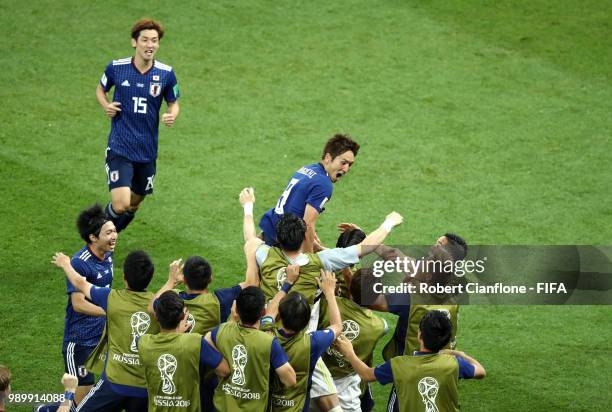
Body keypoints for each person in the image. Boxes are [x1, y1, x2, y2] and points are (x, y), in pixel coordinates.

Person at [96, 18, 180, 232]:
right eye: (145, 40)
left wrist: (172, 114)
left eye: (154, 41)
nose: (150, 45)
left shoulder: (166, 74)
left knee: (134, 203)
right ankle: (95, 237)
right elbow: (100, 89)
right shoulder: (117, 68)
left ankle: (109, 239)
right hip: (120, 147)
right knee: (121, 203)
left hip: (147, 151)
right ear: (134, 42)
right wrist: (106, 105)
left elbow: (174, 102)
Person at [52, 250, 161, 411]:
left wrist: (66, 264)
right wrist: (172, 281)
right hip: (143, 388)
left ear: (124, 276)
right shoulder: (159, 305)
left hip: (113, 384)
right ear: (150, 277)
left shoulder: (110, 298)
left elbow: (80, 283)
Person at [335, 310, 485, 412]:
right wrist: (458, 353)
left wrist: (349, 352)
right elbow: (480, 371)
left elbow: (367, 375)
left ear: (419, 334)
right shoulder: (454, 363)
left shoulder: (400, 364)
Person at [259, 134, 360, 252]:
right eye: (343, 162)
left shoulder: (308, 169)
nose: (346, 169)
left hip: (270, 229)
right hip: (284, 242)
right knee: (322, 266)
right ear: (328, 157)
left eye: (350, 164)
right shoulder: (323, 184)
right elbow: (308, 224)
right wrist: (309, 259)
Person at [261, 268, 342, 412]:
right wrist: (329, 292)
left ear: (281, 315)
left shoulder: (266, 334)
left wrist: (288, 283)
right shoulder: (314, 342)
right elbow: (337, 326)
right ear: (306, 322)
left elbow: (271, 311)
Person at [206, 287, 297, 410]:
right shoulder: (269, 342)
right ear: (263, 312)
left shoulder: (221, 330)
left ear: (236, 310)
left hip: (222, 407)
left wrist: (221, 364)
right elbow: (290, 380)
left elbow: (205, 343)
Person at [139, 291, 230, 412]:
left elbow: (168, 345)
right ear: (182, 317)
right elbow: (224, 371)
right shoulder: (195, 342)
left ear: (156, 316)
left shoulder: (143, 343)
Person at [63, 204, 117, 408]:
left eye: (114, 230)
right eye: (109, 232)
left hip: (103, 336)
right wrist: (109, 311)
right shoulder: (80, 263)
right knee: (82, 401)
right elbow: (78, 304)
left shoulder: (108, 254)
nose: (114, 236)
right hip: (80, 341)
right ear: (93, 238)